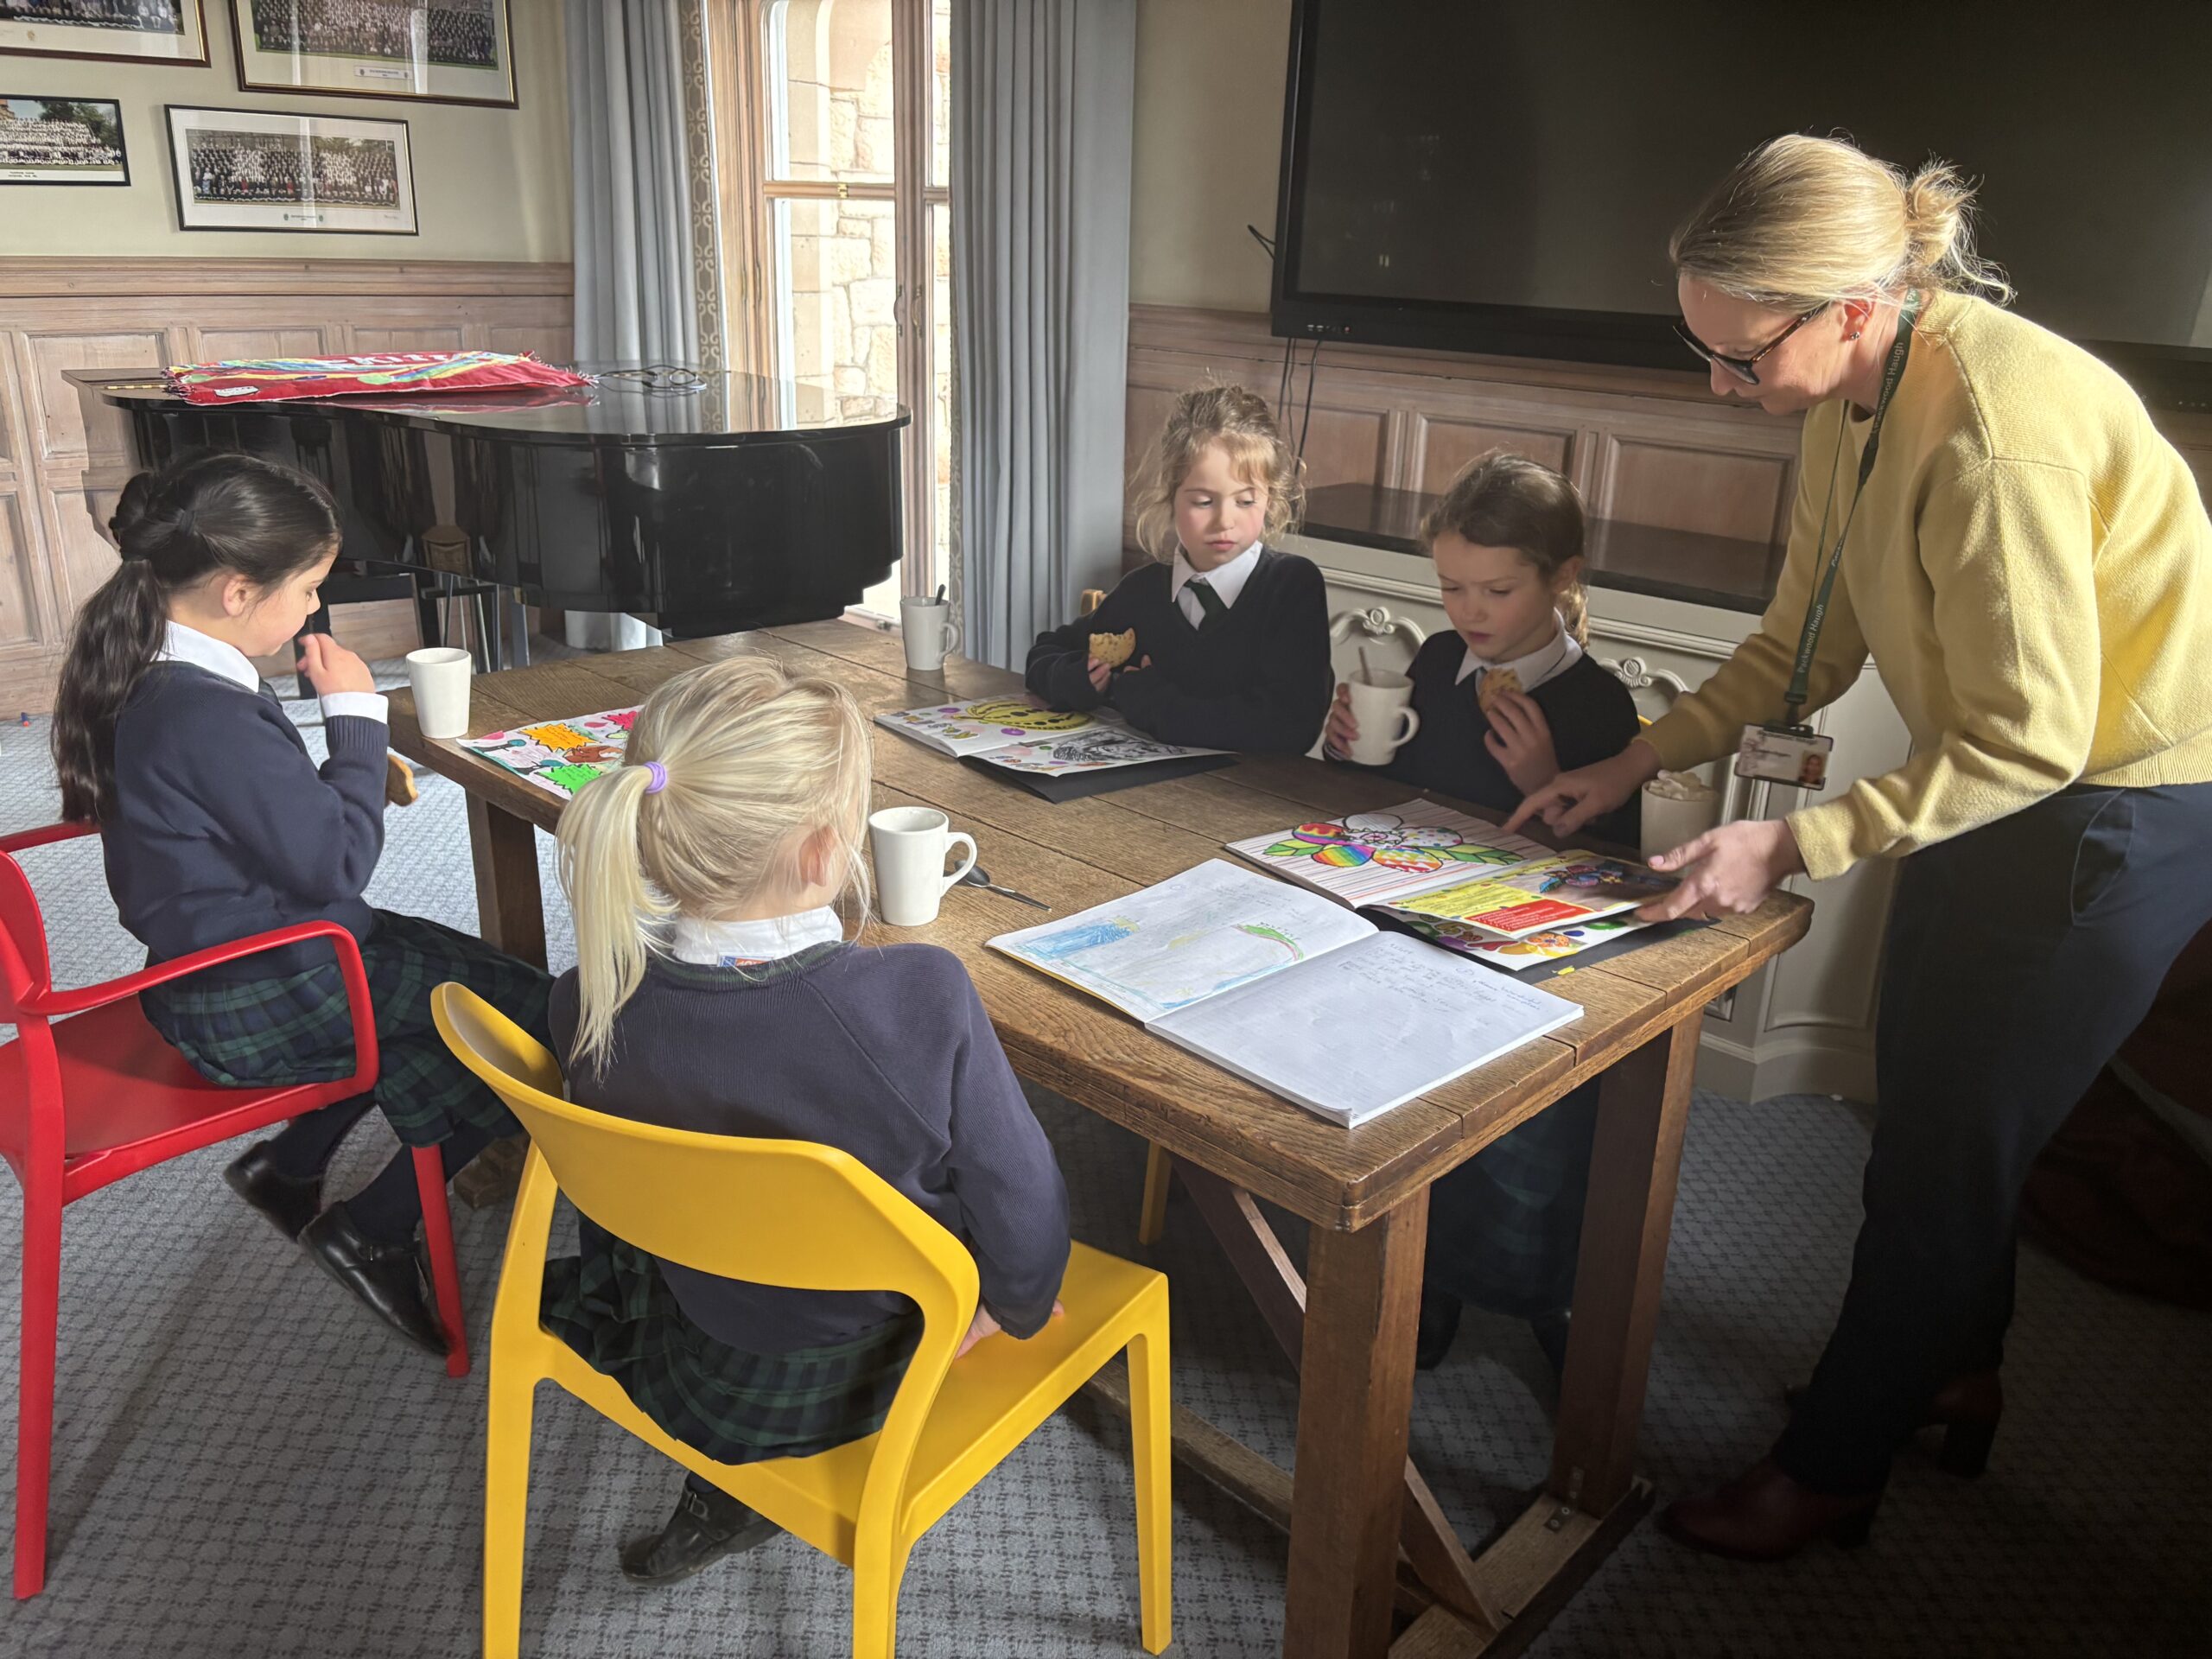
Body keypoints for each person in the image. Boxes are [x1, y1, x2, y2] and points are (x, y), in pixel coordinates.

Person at [1509, 134, 2212, 1558]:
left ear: (1850, 307)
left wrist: (1790, 846)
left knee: (1950, 1151)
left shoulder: (1996, 438)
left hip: (2115, 814)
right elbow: (1800, 648)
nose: (1723, 388)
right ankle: (1949, 1369)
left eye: (1740, 357)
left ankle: (1831, 1468)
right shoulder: (1849, 402)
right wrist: (1635, 761)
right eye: (1701, 351)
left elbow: (2036, 741)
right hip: (2000, 782)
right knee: (1935, 1117)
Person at [543, 656, 1071, 1586]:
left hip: (689, 1327)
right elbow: (1024, 1208)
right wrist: (1011, 1308)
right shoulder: (921, 997)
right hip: (860, 1367)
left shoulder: (586, 998)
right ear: (827, 852)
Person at [52, 452, 552, 1357]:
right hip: (270, 990)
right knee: (535, 1024)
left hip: (227, 963)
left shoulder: (154, 665)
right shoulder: (198, 709)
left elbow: (255, 816)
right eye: (309, 587)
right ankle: (372, 1227)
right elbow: (337, 863)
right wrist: (356, 720)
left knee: (478, 988)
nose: (315, 610)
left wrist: (330, 776)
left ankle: (292, 1166)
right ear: (238, 589)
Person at [1325, 451, 1643, 1378]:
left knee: (1520, 1147)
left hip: (1523, 949)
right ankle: (1422, 1276)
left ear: (1560, 580)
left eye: (1495, 591)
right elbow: (1386, 797)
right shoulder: (1433, 659)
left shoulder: (1596, 702)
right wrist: (1348, 750)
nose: (1468, 613)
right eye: (1450, 587)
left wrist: (1546, 784)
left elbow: (1607, 878)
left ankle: (1535, 1286)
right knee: (1400, 1099)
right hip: (1410, 918)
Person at [1026, 384, 1332, 754]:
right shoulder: (1142, 591)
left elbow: (1290, 728)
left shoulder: (1292, 587)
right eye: (1204, 502)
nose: (1225, 521)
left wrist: (1151, 701)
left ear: (1271, 499)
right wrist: (1078, 679)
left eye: (1246, 501)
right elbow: (1044, 653)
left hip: (1249, 800)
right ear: (1170, 498)